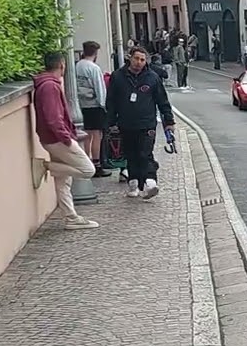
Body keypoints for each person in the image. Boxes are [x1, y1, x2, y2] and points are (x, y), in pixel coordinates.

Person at [34, 51, 99, 229]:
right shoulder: (49, 86)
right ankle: (46, 166)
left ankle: (71, 217)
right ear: (62, 65)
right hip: (57, 140)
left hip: (52, 138)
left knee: (63, 180)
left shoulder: (48, 84)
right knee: (87, 170)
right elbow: (53, 118)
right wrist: (67, 139)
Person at [106, 46, 174, 200]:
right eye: (136, 58)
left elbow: (162, 101)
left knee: (145, 152)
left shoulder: (152, 78)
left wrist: (169, 121)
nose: (139, 62)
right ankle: (134, 183)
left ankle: (150, 182)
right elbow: (111, 102)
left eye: (142, 60)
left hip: (147, 123)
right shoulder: (117, 77)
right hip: (125, 123)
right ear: (130, 58)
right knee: (131, 154)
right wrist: (111, 123)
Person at [74, 40, 111, 177]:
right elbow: (100, 88)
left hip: (82, 104)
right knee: (97, 135)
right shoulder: (94, 68)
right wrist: (104, 105)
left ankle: (87, 160)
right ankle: (97, 164)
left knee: (87, 135)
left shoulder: (77, 66)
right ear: (95, 53)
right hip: (94, 105)